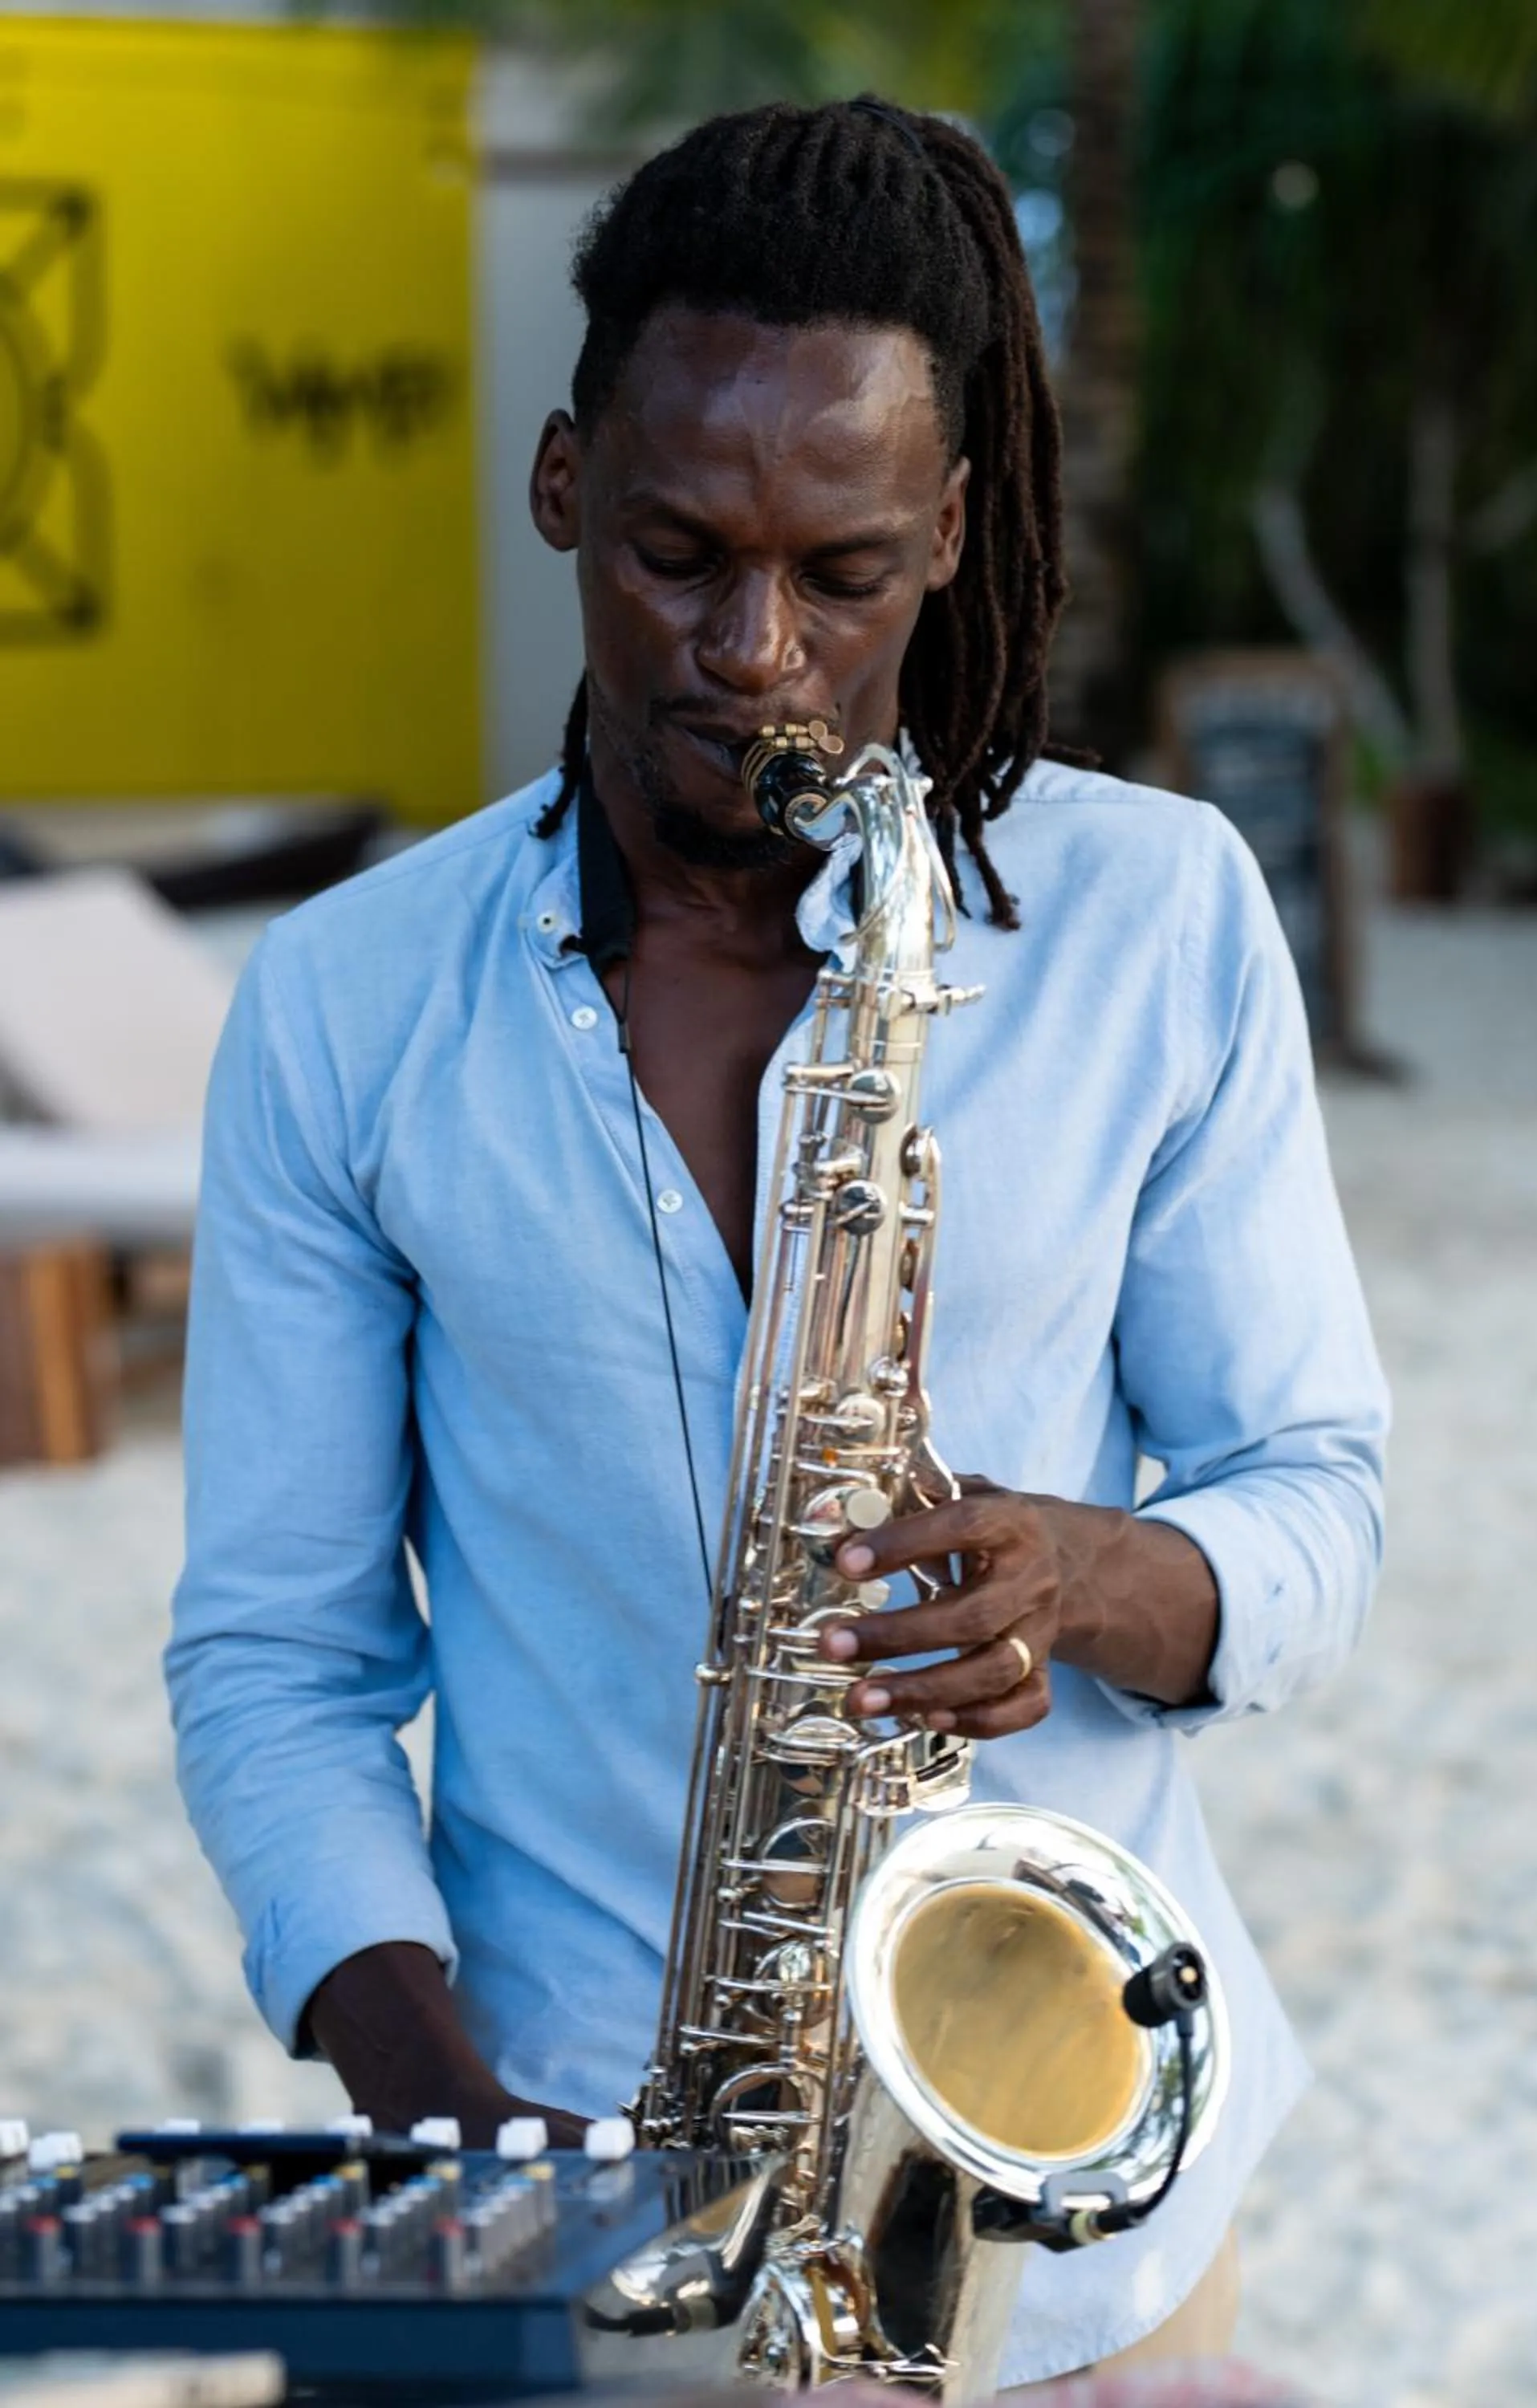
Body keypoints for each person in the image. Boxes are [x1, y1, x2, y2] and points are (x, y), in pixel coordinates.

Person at [167, 98, 1387, 2383]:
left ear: (951, 532)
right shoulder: (346, 1003)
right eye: (673, 551)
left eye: (841, 576)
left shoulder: (1160, 920)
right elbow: (278, 1662)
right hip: (574, 2180)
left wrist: (1094, 1574)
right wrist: (458, 2131)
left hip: (1069, 2223)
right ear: (559, 490)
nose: (752, 653)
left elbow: (1319, 1488)